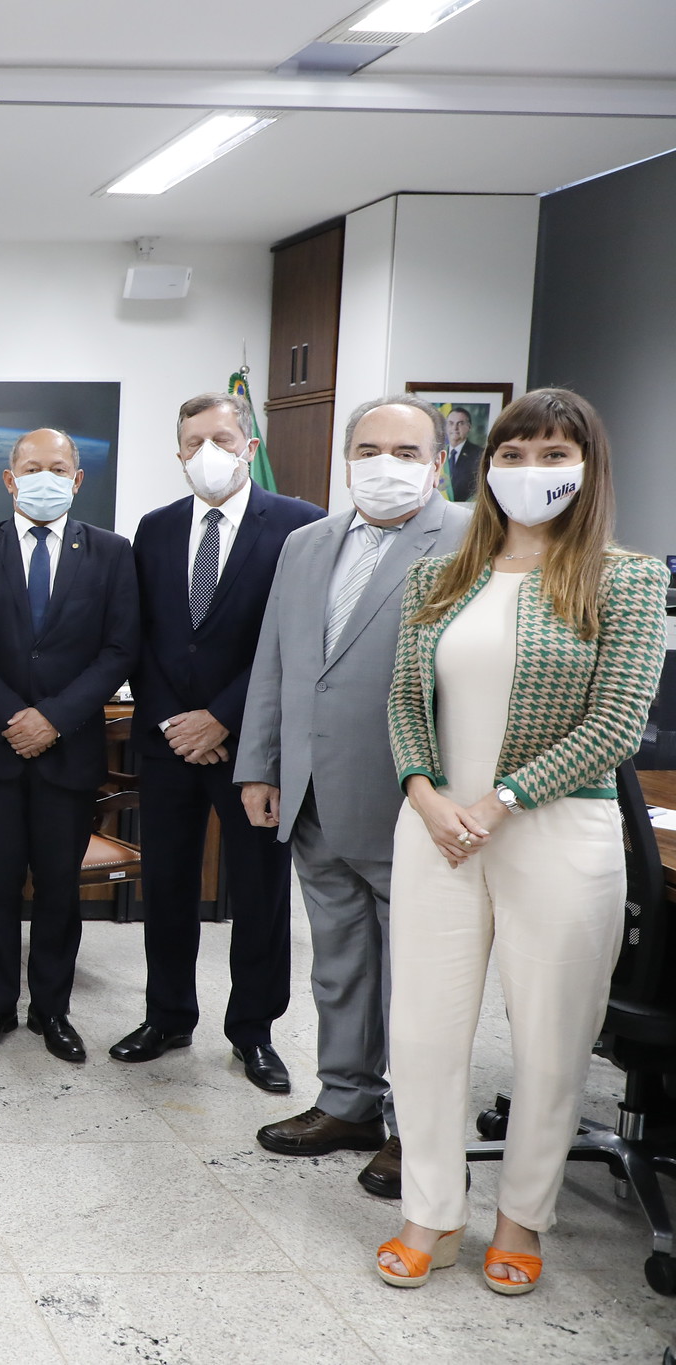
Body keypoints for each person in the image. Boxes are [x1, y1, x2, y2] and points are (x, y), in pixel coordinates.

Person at [374, 388, 665, 1295]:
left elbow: (618, 722)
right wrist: (424, 794)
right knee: (423, 1030)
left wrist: (501, 800)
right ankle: (431, 1210)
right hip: (436, 831)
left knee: (550, 1036)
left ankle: (521, 1216)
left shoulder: (625, 578)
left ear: (587, 467)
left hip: (555, 830)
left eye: (553, 454)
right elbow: (405, 700)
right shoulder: (437, 577)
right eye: (513, 453)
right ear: (486, 465)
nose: (530, 471)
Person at [236, 395, 471, 1198]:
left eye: (405, 451)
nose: (384, 465)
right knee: (339, 964)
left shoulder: (472, 537)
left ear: (436, 461)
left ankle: (418, 1128)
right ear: (346, 459)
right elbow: (277, 660)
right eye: (368, 449)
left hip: (414, 799)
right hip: (312, 793)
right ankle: (347, 1103)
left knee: (420, 977)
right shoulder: (307, 543)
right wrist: (260, 765)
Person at [113, 392, 321, 1091]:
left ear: (249, 445)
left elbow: (295, 639)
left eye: (223, 439)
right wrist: (176, 721)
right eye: (194, 441)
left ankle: (254, 1031)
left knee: (259, 891)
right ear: (178, 453)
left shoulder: (298, 525)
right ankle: (167, 1016)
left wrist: (223, 717)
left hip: (254, 744)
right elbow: (141, 635)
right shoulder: (156, 527)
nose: (209, 452)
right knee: (167, 885)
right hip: (169, 741)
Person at [0, 428, 137, 1063]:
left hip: (69, 749)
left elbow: (119, 649)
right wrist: (14, 716)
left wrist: (53, 719)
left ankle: (52, 1011)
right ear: (10, 480)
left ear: (78, 480)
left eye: (58, 468)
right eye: (32, 468)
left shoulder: (111, 552)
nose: (45, 478)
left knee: (59, 888)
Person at [441, 407, 482, 502]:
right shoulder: (438, 453)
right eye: (451, 423)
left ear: (469, 427)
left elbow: (479, 488)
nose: (455, 428)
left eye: (460, 423)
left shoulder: (479, 454)